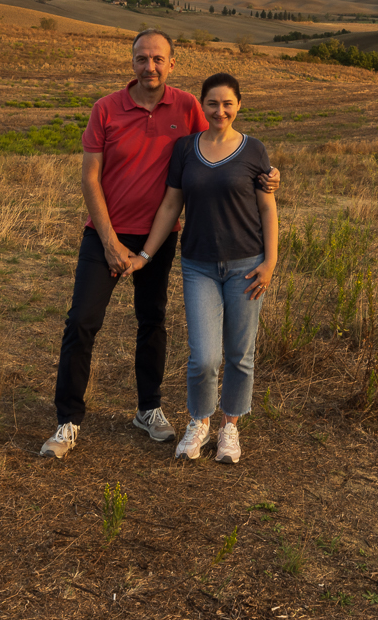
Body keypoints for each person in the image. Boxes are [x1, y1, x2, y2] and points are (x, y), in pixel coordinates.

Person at [40, 32, 276, 459]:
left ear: (172, 63)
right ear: (131, 62)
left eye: (158, 59)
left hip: (159, 238)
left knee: (152, 322)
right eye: (141, 59)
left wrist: (267, 175)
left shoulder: (187, 107)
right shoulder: (106, 110)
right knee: (82, 323)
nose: (149, 66)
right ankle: (68, 421)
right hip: (105, 235)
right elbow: (90, 178)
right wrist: (111, 243)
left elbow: (223, 147)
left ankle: (148, 410)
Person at [134, 72, 277, 465]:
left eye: (227, 103)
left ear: (239, 106)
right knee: (204, 357)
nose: (220, 111)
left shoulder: (253, 151)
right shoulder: (185, 149)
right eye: (212, 103)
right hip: (198, 264)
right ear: (202, 106)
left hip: (246, 265)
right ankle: (199, 421)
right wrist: (145, 254)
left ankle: (229, 426)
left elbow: (268, 207)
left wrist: (270, 262)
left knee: (239, 354)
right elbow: (169, 206)